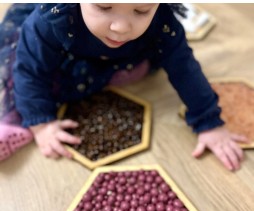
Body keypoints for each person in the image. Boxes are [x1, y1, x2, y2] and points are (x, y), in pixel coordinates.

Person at [0, 3, 248, 170]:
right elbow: (30, 70)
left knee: (157, 55)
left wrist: (209, 122)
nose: (121, 27)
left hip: (122, 54)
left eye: (141, 10)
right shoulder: (51, 18)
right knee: (18, 70)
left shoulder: (162, 22)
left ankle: (113, 68)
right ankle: (12, 119)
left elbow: (185, 67)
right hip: (64, 51)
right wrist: (41, 124)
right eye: (104, 6)